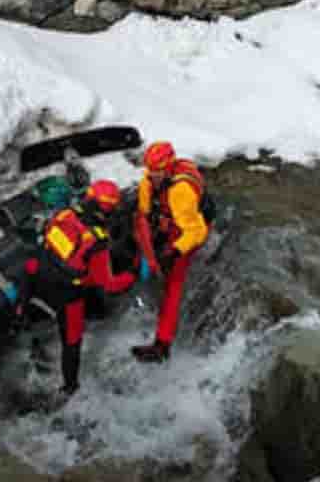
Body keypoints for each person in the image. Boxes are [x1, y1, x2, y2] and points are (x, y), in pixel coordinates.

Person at [11, 180, 139, 396]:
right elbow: (108, 284)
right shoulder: (97, 242)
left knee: (30, 267)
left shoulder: (65, 215)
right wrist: (133, 275)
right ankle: (69, 387)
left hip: (38, 274)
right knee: (72, 340)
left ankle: (19, 314)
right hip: (67, 293)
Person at [131, 141, 210, 363]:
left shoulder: (180, 191)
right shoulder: (148, 181)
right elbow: (144, 216)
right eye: (150, 170)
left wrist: (174, 252)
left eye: (156, 171)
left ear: (167, 168)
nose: (152, 175)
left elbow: (197, 231)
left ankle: (162, 345)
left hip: (190, 228)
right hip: (171, 218)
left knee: (173, 283)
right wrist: (147, 250)